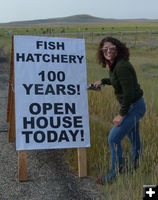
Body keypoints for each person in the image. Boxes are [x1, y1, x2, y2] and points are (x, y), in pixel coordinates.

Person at [94, 37, 146, 184]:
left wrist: (121, 115)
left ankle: (114, 175)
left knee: (113, 138)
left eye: (112, 48)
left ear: (118, 49)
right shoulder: (115, 64)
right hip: (135, 105)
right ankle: (135, 166)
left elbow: (128, 92)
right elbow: (119, 81)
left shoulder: (122, 66)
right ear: (101, 51)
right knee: (134, 138)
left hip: (133, 107)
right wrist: (104, 81)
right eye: (105, 49)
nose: (108, 51)